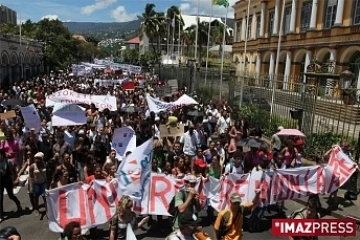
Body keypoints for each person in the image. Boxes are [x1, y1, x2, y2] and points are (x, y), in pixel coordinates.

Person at [0, 150, 22, 223]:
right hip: (0, 181)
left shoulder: (8, 161)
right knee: (0, 198)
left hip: (8, 180)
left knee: (11, 195)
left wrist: (16, 178)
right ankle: (1, 216)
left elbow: (14, 170)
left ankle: (18, 203)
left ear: (2, 155)